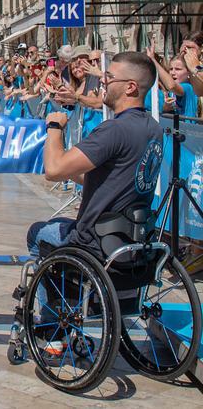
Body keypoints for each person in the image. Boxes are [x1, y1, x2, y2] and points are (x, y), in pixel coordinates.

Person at [27, 51, 164, 354]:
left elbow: (54, 169)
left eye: (109, 77)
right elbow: (112, 178)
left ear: (130, 87)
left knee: (39, 233)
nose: (101, 80)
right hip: (131, 237)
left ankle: (55, 327)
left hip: (94, 241)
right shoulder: (154, 129)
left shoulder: (113, 130)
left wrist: (55, 127)